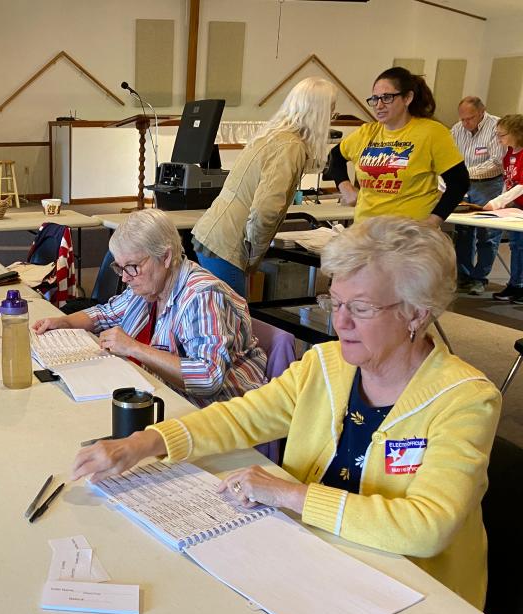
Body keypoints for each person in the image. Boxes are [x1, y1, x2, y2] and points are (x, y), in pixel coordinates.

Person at [72, 215, 501, 608]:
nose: (341, 322)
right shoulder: (326, 364)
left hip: (416, 598)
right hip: (313, 562)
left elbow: (426, 527)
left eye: (362, 308)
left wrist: (290, 494)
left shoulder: (464, 399)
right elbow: (241, 416)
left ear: (417, 313)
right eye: (336, 302)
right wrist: (144, 443)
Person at [33, 209, 266, 407]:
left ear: (165, 257)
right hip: (168, 394)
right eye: (121, 267)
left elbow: (208, 377)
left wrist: (134, 348)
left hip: (217, 409)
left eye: (132, 266)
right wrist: (63, 322)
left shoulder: (201, 296)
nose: (125, 277)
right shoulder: (150, 285)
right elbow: (105, 314)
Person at [190, 77, 337, 295]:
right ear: (320, 114)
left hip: (215, 236)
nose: (332, 120)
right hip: (229, 244)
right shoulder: (291, 146)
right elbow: (265, 210)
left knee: (218, 318)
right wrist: (254, 254)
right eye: (331, 113)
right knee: (233, 322)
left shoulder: (272, 134)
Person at [330, 67, 469, 225]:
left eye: (387, 97)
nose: (379, 105)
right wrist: (345, 186)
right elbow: (335, 156)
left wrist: (433, 221)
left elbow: (459, 182)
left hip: (409, 236)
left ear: (407, 98)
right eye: (375, 99)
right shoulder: (366, 133)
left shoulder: (431, 133)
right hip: (366, 233)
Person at [450, 97, 506, 295]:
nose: (466, 123)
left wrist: (465, 172)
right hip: (464, 185)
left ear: (482, 112)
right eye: (463, 119)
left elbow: (497, 162)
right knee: (463, 232)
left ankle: (479, 278)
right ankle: (464, 275)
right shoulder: (457, 129)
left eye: (470, 118)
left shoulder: (495, 127)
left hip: (489, 185)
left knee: (487, 234)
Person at [485, 114, 523, 303]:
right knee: (516, 246)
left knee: (522, 247)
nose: (499, 138)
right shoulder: (509, 153)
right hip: (517, 207)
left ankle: (520, 284)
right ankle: (515, 283)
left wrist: (498, 202)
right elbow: (508, 181)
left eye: (502, 135)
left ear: (517, 133)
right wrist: (502, 201)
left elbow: (521, 185)